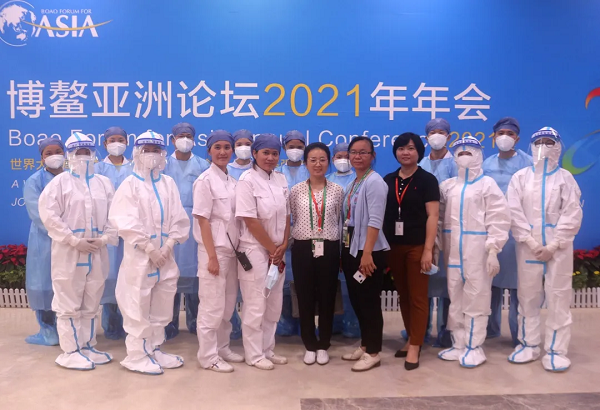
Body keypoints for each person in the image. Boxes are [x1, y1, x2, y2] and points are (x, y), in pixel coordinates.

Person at [109, 130, 190, 375]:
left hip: (165, 256)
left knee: (162, 305)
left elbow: (179, 218)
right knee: (137, 303)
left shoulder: (168, 183)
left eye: (156, 150)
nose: (152, 155)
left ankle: (154, 349)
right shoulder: (130, 184)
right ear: (137, 153)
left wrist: (168, 245)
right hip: (140, 257)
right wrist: (149, 248)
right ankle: (136, 355)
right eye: (147, 150)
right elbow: (125, 221)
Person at [39, 132, 117, 370]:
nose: (83, 156)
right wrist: (72, 240)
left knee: (91, 300)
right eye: (77, 152)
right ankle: (70, 351)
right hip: (69, 252)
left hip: (97, 251)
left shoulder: (104, 183)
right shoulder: (59, 184)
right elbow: (49, 216)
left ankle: (87, 346)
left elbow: (115, 214)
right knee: (68, 301)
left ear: (93, 154)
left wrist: (106, 238)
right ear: (70, 155)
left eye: (86, 152)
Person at [507, 127, 582, 372]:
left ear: (558, 146)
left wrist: (555, 244)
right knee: (527, 297)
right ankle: (528, 344)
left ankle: (556, 350)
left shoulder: (565, 178)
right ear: (531, 146)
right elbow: (513, 212)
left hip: (558, 248)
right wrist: (530, 242)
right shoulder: (520, 178)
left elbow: (572, 213)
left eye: (549, 142)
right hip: (528, 247)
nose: (543, 147)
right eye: (538, 142)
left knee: (558, 297)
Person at [437, 137, 510, 368]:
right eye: (460, 153)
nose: (464, 156)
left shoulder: (487, 185)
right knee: (456, 298)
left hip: (478, 253)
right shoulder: (448, 186)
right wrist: (436, 246)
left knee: (477, 298)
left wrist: (493, 249)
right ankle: (458, 343)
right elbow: (438, 219)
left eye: (469, 152)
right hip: (453, 254)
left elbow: (498, 218)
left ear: (479, 155)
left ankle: (474, 346)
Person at [383, 132, 440, 371]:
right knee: (403, 296)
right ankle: (410, 338)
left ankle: (416, 345)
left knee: (418, 297)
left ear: (419, 152)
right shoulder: (388, 180)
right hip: (393, 247)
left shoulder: (427, 180)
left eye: (410, 148)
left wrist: (428, 249)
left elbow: (433, 216)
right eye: (401, 148)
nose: (405, 152)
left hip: (417, 246)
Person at [235, 133, 291, 370]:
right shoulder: (246, 181)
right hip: (255, 251)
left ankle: (268, 349)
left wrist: (284, 245)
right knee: (256, 304)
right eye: (265, 153)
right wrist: (272, 249)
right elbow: (250, 220)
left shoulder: (280, 179)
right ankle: (254, 354)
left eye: (275, 153)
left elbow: (287, 215)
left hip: (277, 251)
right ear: (255, 154)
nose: (270, 158)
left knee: (274, 304)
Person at [193, 130, 245, 373]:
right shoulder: (204, 181)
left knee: (227, 306)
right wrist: (211, 257)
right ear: (209, 151)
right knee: (211, 307)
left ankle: (222, 347)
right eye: (218, 148)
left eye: (226, 147)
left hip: (232, 253)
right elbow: (203, 220)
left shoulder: (232, 182)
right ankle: (208, 356)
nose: (223, 152)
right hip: (213, 253)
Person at [290, 142, 344, 366]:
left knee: (327, 296)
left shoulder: (338, 191)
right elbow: (293, 217)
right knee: (304, 296)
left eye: (322, 159)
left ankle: (323, 344)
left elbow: (339, 220)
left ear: (328, 162)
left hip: (329, 246)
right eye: (312, 160)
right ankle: (309, 344)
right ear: (305, 163)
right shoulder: (296, 191)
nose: (318, 164)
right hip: (302, 247)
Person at [340, 136, 389, 372]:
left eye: (363, 152)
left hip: (368, 251)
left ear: (372, 156)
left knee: (369, 302)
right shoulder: (354, 182)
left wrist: (367, 253)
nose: (357, 157)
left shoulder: (375, 182)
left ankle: (374, 352)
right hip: (352, 248)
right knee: (358, 301)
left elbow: (375, 220)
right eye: (354, 152)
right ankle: (365, 343)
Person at [483, 117, 532, 346]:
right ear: (494, 137)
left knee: (516, 285)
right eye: (501, 133)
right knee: (489, 283)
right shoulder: (485, 164)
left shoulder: (528, 163)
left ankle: (518, 335)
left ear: (517, 139)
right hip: (492, 229)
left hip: (518, 231)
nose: (505, 137)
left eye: (510, 134)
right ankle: (489, 330)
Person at [163, 122, 210, 339]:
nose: (185, 140)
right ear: (172, 140)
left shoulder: (202, 165)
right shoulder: (163, 164)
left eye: (188, 136)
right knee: (168, 277)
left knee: (195, 277)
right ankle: (168, 324)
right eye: (181, 136)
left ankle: (195, 323)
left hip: (195, 225)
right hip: (168, 225)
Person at [418, 118, 457, 348]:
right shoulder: (421, 164)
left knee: (447, 284)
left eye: (441, 132)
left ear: (449, 137)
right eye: (433, 132)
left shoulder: (456, 164)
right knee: (425, 282)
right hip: (425, 228)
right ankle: (421, 330)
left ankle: (446, 331)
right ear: (426, 137)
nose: (437, 136)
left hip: (450, 228)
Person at [23, 137, 65, 346]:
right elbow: (36, 212)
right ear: (41, 157)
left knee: (67, 284)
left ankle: (66, 327)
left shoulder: (72, 178)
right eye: (48, 153)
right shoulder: (34, 181)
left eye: (58, 151)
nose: (54, 156)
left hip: (70, 240)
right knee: (43, 283)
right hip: (45, 239)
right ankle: (48, 330)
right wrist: (61, 232)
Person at [95, 126, 133, 340]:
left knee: (129, 276)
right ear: (104, 144)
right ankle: (110, 324)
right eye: (112, 140)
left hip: (129, 229)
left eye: (120, 139)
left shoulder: (135, 166)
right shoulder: (97, 168)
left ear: (127, 142)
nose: (116, 143)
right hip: (107, 228)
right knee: (109, 276)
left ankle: (130, 325)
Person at [275, 130, 309, 336]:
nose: (295, 150)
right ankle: (285, 322)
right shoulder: (277, 173)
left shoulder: (311, 171)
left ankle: (304, 322)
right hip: (281, 233)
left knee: (304, 280)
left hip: (307, 232)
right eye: (291, 147)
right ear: (284, 148)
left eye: (299, 147)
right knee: (283, 280)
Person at [327, 142, 360, 339]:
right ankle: (333, 324)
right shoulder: (327, 180)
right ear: (333, 159)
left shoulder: (359, 180)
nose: (343, 160)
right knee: (331, 284)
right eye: (339, 156)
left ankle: (353, 325)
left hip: (351, 238)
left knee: (350, 285)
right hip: (329, 238)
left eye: (346, 156)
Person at [225, 129, 255, 339]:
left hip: (252, 237)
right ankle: (231, 327)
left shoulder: (259, 170)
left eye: (248, 144)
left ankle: (252, 330)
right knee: (227, 290)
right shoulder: (224, 170)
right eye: (239, 144)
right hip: (228, 236)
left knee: (252, 289)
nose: (244, 148)